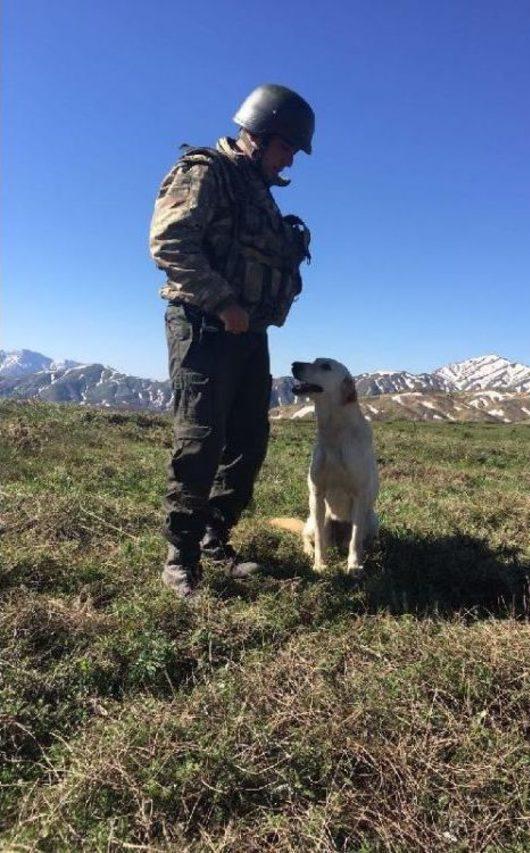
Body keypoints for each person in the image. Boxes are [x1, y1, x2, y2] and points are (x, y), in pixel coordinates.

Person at [149, 84, 314, 597]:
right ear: (259, 134)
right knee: (200, 439)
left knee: (247, 441)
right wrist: (223, 302)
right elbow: (170, 241)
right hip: (203, 324)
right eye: (287, 146)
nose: (290, 159)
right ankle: (180, 558)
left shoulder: (258, 193)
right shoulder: (206, 172)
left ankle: (213, 537)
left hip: (248, 333)